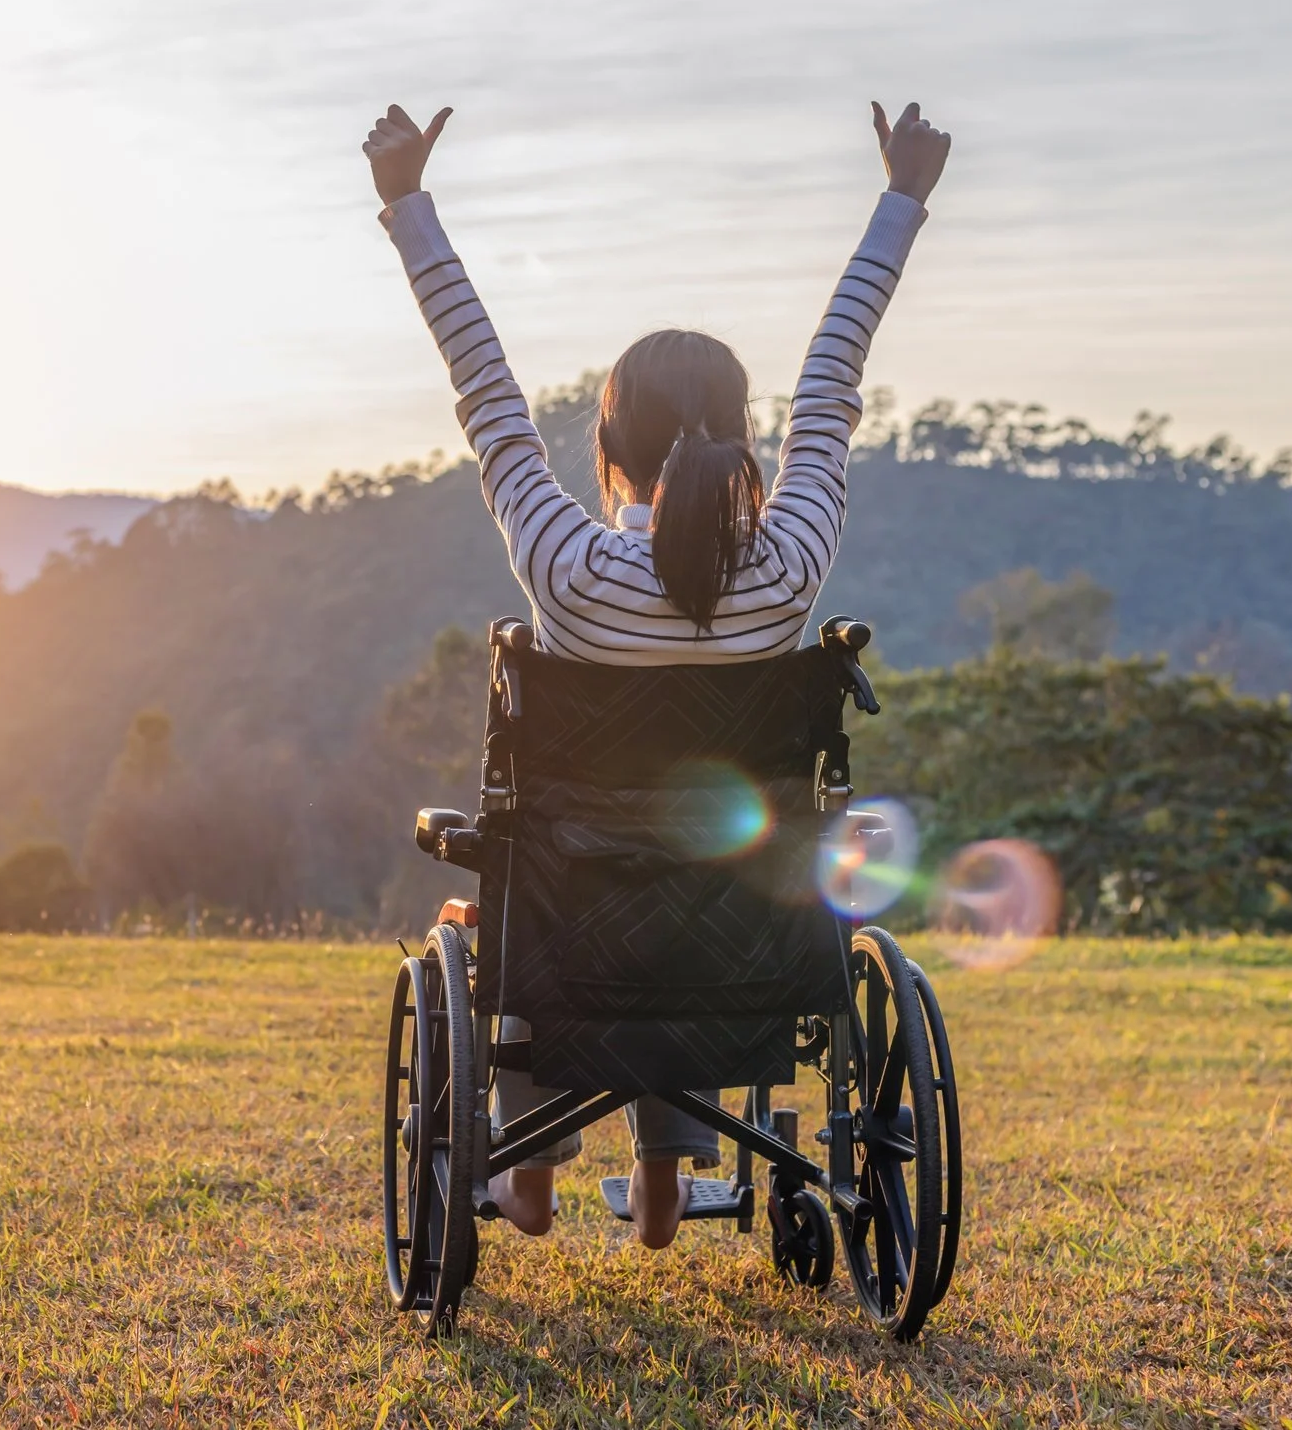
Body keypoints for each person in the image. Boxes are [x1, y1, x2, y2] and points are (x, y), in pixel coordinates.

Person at [364, 100, 950, 1249]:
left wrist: (406, 206)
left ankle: (524, 1178)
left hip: (575, 947)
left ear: (607, 446)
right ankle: (670, 1190)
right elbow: (834, 385)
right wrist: (901, 200)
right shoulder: (789, 572)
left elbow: (484, 390)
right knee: (694, 880)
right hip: (746, 950)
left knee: (538, 898)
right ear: (749, 442)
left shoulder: (567, 568)